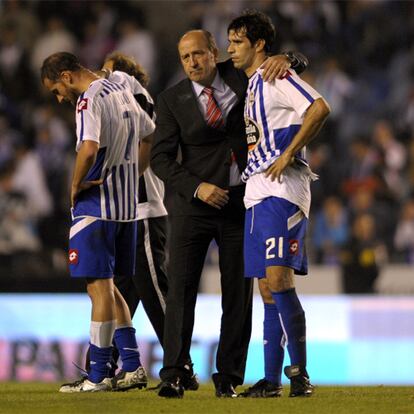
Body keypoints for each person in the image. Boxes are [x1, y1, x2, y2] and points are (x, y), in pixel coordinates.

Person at [150, 29, 308, 398]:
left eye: (198, 54)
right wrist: (196, 186)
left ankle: (229, 377)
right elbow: (159, 157)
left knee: (237, 294)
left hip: (242, 200)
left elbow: (283, 59)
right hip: (194, 207)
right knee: (181, 291)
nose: (192, 62)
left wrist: (293, 59)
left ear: (213, 52)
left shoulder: (241, 74)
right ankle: (174, 372)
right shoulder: (170, 99)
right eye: (185, 56)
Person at [227, 11, 330, 398]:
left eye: (236, 41)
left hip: (282, 187)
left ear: (258, 45)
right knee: (267, 290)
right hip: (257, 189)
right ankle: (271, 381)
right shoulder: (254, 81)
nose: (229, 48)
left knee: (278, 280)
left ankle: (299, 374)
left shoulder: (276, 75)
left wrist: (289, 152)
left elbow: (319, 107)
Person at [41, 52, 155, 392]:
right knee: (110, 286)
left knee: (97, 288)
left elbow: (88, 148)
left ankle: (100, 374)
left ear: (65, 75)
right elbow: (149, 133)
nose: (59, 98)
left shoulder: (88, 100)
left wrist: (75, 185)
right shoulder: (119, 89)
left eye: (56, 90)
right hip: (126, 208)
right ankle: (132, 366)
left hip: (96, 207)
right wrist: (134, 173)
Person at [85, 52, 198, 390]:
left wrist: (106, 72)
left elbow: (112, 77)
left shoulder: (123, 84)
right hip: (128, 210)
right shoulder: (134, 98)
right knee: (120, 292)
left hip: (143, 210)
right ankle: (108, 366)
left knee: (156, 292)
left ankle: (182, 366)